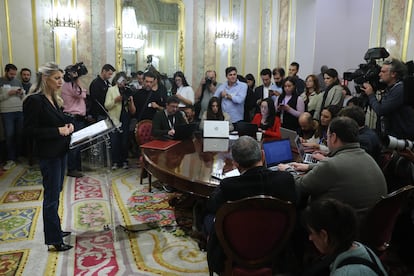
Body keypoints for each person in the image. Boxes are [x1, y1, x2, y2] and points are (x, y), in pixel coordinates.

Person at [204, 135, 297, 274]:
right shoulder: (286, 180)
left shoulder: (229, 186)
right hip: (277, 248)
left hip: (234, 250)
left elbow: (211, 206)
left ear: (235, 164)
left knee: (207, 217)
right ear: (263, 155)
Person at [278, 116, 387, 216]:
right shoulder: (367, 157)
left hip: (339, 227)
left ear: (333, 137)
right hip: (369, 224)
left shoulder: (331, 165)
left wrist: (288, 169)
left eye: (328, 136)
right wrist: (308, 167)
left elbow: (300, 186)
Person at [23, 62, 74, 251]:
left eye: (61, 78)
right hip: (49, 155)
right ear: (46, 78)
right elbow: (29, 131)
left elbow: (58, 121)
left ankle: (56, 230)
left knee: (56, 192)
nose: (61, 81)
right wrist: (57, 131)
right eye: (57, 78)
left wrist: (68, 126)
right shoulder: (34, 100)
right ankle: (54, 239)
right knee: (51, 197)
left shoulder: (53, 97)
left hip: (60, 152)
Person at [302, 199, 387, 276]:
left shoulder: (345, 272)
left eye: (312, 233)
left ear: (324, 235)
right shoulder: (360, 247)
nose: (310, 238)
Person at [362, 58, 414, 139]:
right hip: (391, 135)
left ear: (393, 74)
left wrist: (370, 94)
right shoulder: (391, 88)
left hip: (400, 137)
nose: (379, 74)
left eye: (383, 72)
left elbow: (381, 110)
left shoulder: (399, 89)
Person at [61, 64, 88, 177]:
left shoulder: (71, 84)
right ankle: (72, 169)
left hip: (77, 118)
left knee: (78, 143)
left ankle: (77, 166)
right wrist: (76, 80)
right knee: (74, 144)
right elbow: (82, 94)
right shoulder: (68, 85)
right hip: (72, 118)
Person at [104, 72, 134, 170]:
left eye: (124, 80)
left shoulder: (128, 90)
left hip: (125, 117)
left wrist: (129, 100)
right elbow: (107, 105)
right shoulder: (111, 90)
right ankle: (115, 161)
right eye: (121, 80)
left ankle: (124, 160)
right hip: (115, 118)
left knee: (124, 140)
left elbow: (131, 106)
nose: (123, 82)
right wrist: (115, 100)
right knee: (115, 140)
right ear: (117, 80)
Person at [0, 63, 24, 170]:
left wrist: (21, 93)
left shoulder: (18, 81)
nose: (13, 76)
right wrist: (8, 93)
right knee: (9, 135)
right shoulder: (0, 81)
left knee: (19, 134)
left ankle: (17, 156)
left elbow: (24, 95)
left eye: (14, 74)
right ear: (6, 71)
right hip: (7, 112)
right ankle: (10, 158)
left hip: (19, 110)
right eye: (11, 74)